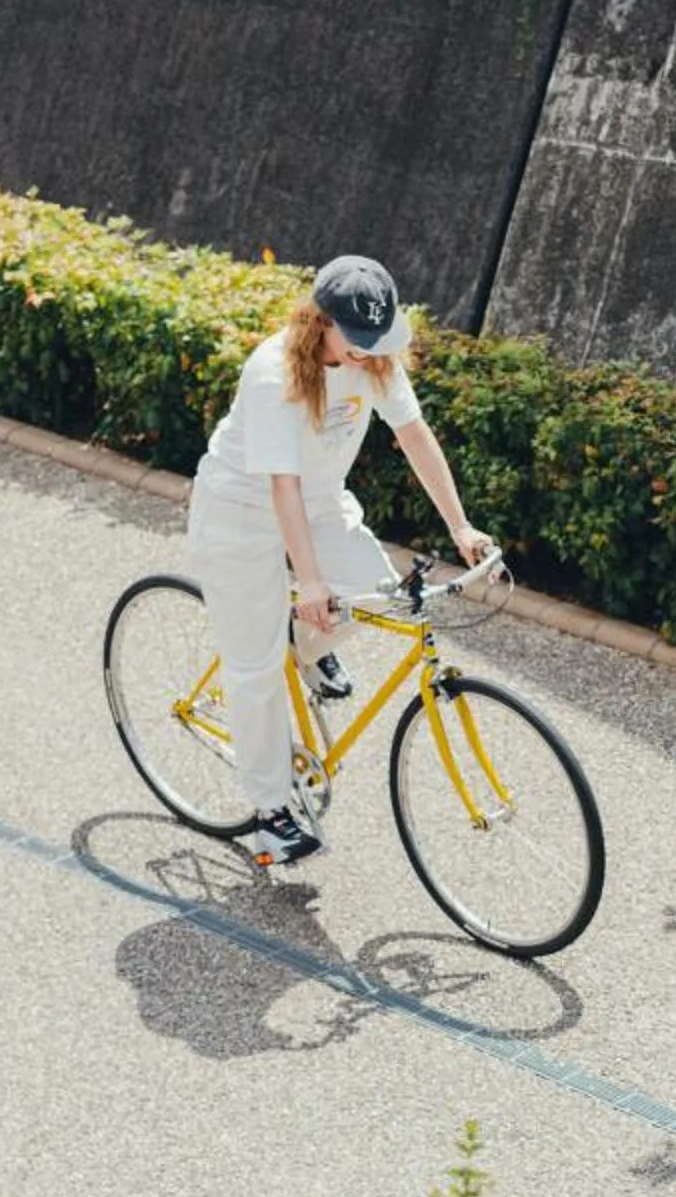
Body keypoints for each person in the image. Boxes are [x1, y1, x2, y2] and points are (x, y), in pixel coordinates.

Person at [186, 254, 495, 865]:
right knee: (254, 670)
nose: (367, 352)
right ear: (318, 323)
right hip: (240, 514)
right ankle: (271, 811)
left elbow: (413, 435)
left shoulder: (375, 360)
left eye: (375, 341)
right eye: (355, 340)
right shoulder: (275, 374)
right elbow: (282, 488)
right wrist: (310, 582)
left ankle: (302, 650)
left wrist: (461, 527)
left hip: (322, 504)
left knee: (380, 594)